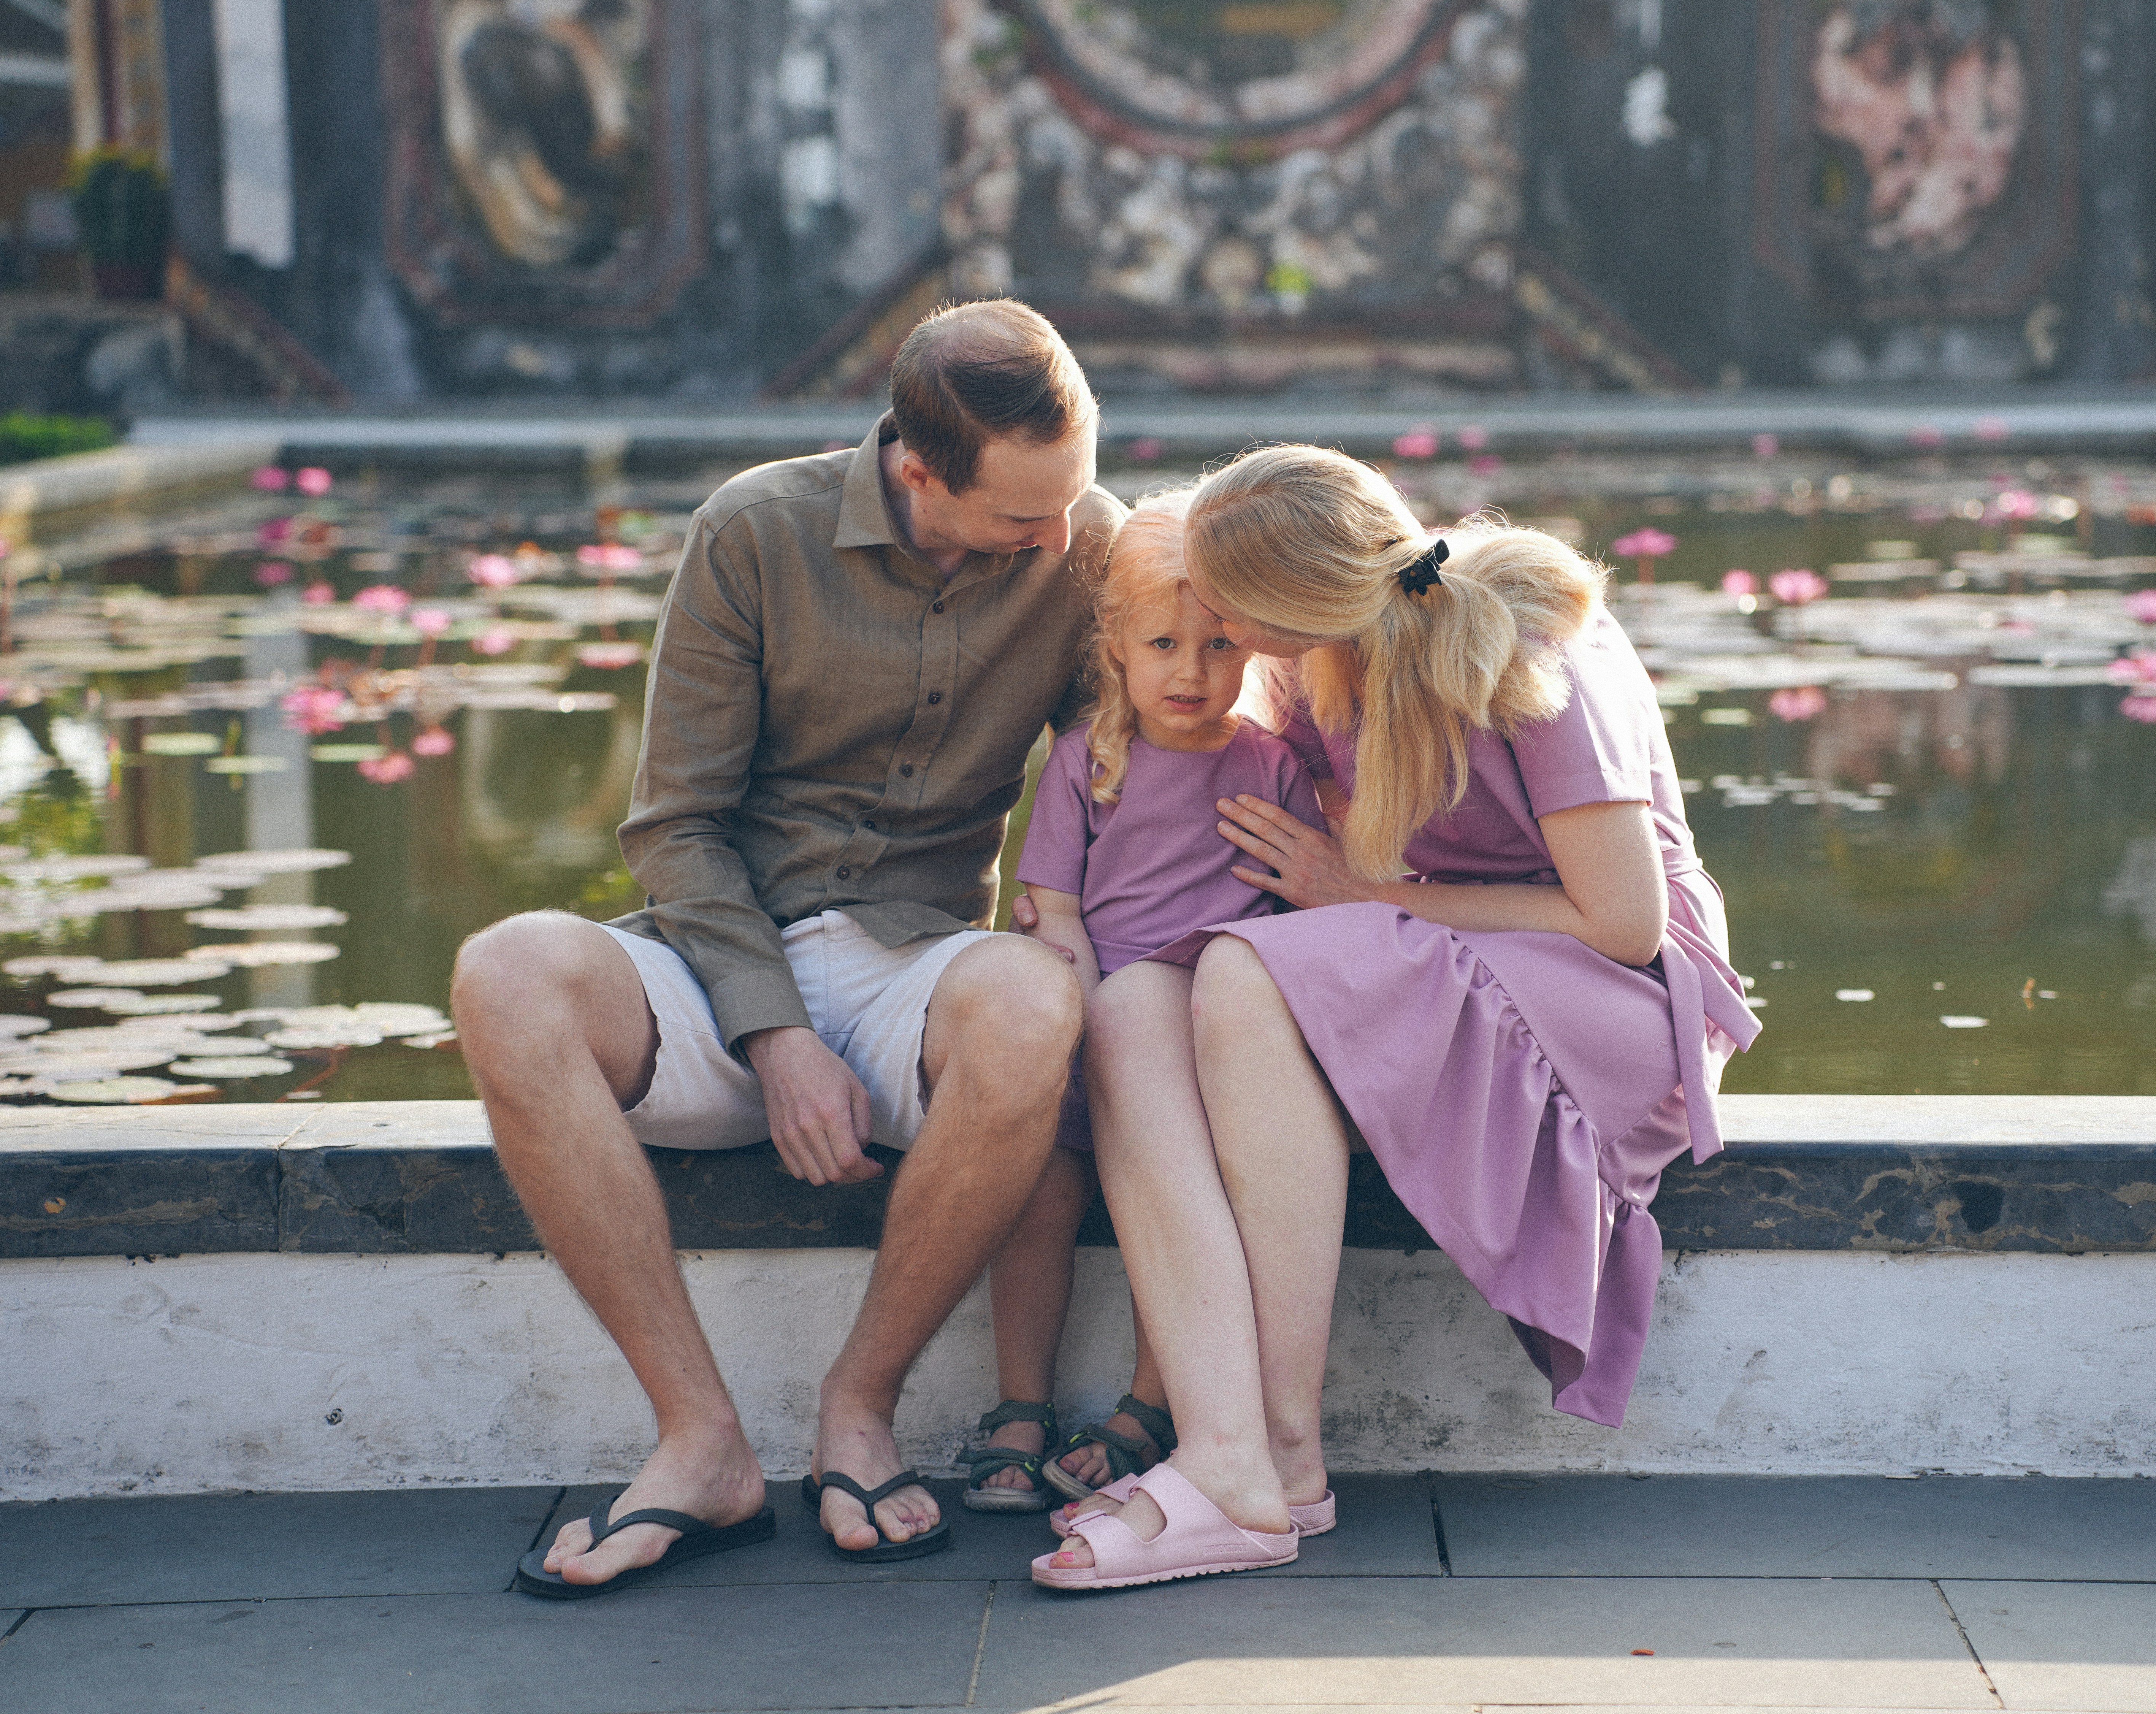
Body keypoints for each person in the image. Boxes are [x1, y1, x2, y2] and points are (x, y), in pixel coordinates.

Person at [453, 300, 1124, 1597]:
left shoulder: (1085, 542)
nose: (1058, 539)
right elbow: (677, 825)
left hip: (919, 966)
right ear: (917, 469)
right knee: (506, 971)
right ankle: (701, 1442)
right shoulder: (754, 530)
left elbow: (1131, 780)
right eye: (1022, 517)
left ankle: (859, 1406)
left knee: (1033, 1005)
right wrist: (775, 1035)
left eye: (1071, 501)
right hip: (718, 964)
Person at [1028, 444, 1758, 1590]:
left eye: (1223, 608)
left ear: (1285, 607)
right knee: (1134, 1011)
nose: (1208, 625)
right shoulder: (1313, 670)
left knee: (1241, 976)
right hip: (1443, 951)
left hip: (1613, 998)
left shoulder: (1527, 647)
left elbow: (1624, 922)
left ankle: (1270, 1458)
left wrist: (1362, 895)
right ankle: (1236, 1454)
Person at [964, 492, 1325, 1515]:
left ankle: (1147, 1408)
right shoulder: (1088, 762)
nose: (1191, 673)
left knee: (1183, 1204)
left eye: (1220, 647)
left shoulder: (1271, 767)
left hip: (1199, 1047)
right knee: (1040, 1195)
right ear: (1115, 645)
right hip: (1089, 1021)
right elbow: (1056, 909)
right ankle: (1021, 1403)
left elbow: (1294, 916)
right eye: (1164, 644)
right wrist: (1079, 1030)